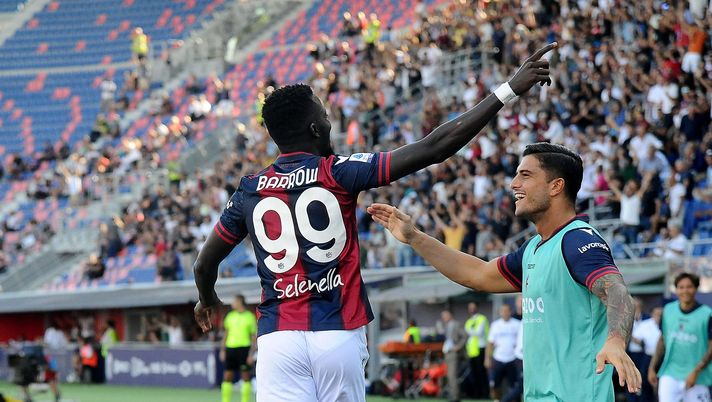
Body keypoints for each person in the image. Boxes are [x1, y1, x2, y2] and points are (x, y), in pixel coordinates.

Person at [193, 43, 558, 402]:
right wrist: (508, 90)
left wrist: (207, 298)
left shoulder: (250, 189)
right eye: (323, 114)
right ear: (314, 129)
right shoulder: (337, 172)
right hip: (337, 330)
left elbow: (204, 263)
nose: (329, 119)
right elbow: (434, 147)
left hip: (277, 339)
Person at [368, 142, 642, 400]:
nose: (514, 184)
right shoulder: (535, 247)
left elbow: (616, 290)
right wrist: (415, 237)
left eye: (525, 175)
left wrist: (616, 341)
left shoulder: (578, 239)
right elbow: (478, 274)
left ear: (556, 186)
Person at [648, 273, 711, 402]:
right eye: (681, 287)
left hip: (697, 376)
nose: (685, 291)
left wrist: (697, 371)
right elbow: (662, 340)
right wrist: (652, 367)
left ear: (696, 288)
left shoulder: (707, 314)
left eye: (689, 287)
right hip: (670, 373)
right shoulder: (668, 310)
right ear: (676, 289)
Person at [220, 295, 257, 402]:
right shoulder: (230, 316)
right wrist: (223, 350)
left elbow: (253, 337)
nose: (232, 303)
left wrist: (251, 354)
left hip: (244, 349)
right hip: (230, 348)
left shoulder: (250, 317)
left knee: (245, 376)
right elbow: (226, 334)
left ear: (240, 301)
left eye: (234, 301)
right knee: (227, 376)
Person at [486, 304, 520, 401]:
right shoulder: (495, 325)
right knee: (495, 384)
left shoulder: (517, 324)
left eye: (507, 311)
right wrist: (487, 359)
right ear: (500, 312)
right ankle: (497, 400)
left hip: (513, 359)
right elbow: (490, 343)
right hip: (498, 358)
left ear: (510, 312)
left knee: (514, 384)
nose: (505, 313)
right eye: (503, 311)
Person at [632, 306, 662, 402]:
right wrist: (642, 343)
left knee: (662, 383)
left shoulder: (669, 323)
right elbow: (635, 337)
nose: (658, 316)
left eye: (660, 314)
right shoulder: (646, 324)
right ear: (652, 314)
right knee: (645, 383)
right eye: (656, 314)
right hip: (648, 356)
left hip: (663, 358)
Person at [464, 302, 489, 398]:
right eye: (470, 308)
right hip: (472, 350)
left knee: (482, 373)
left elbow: (478, 332)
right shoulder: (469, 321)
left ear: (477, 308)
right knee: (474, 373)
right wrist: (470, 331)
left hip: (481, 348)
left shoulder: (482, 318)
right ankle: (477, 393)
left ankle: (485, 393)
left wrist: (469, 330)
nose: (471, 309)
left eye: (473, 307)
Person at [441, 310, 466, 402]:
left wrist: (458, 347)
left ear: (450, 315)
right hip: (447, 352)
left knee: (452, 375)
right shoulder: (446, 326)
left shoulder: (456, 324)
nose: (443, 318)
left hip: (454, 353)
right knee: (448, 375)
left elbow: (465, 336)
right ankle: (452, 395)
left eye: (445, 316)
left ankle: (456, 397)